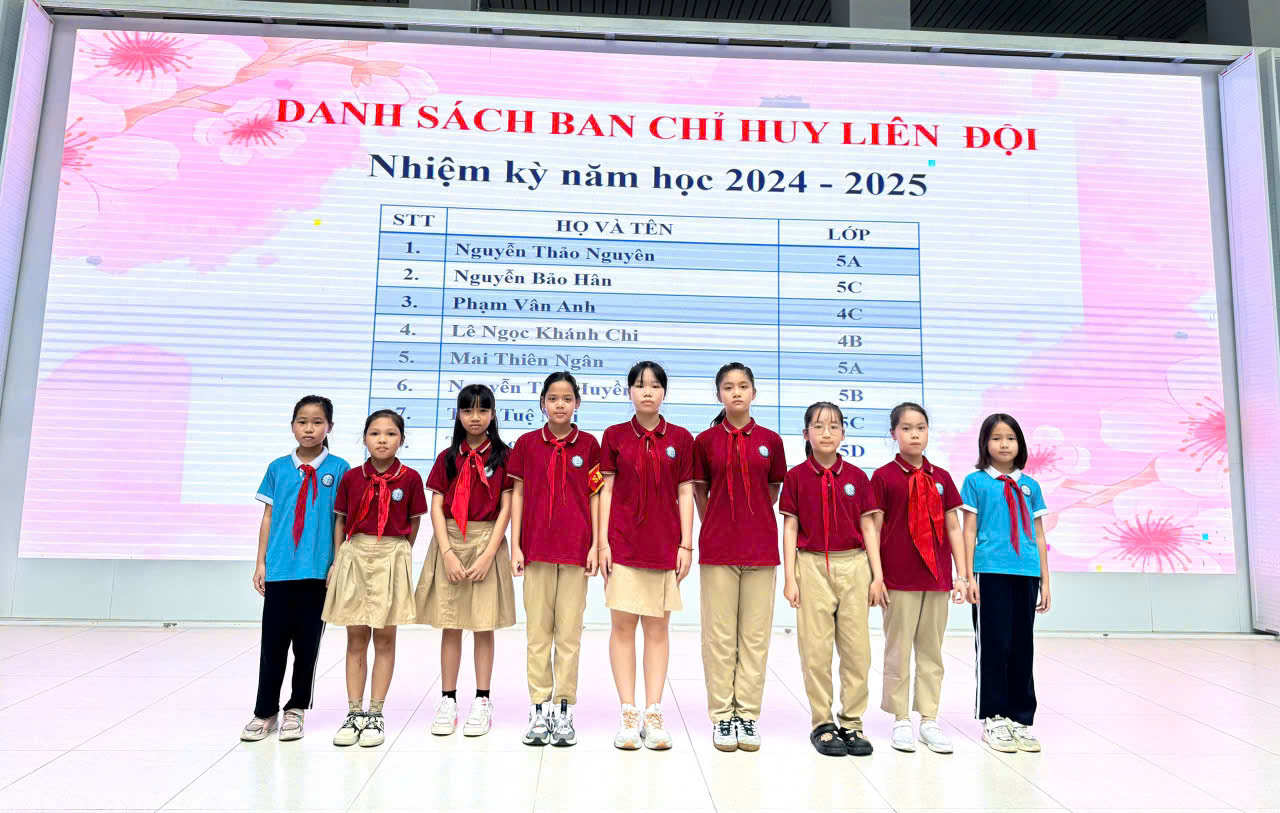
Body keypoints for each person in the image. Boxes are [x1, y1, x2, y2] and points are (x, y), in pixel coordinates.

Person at [242, 395, 350, 743]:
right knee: (272, 645)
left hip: (317, 572)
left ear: (329, 427)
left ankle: (296, 708)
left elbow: (339, 520)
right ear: (292, 425)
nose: (309, 428)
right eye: (302, 421)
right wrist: (261, 562)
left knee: (307, 646)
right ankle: (264, 712)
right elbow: (269, 516)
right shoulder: (277, 468)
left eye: (317, 422)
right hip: (280, 569)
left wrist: (335, 562)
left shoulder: (339, 468)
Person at [779, 401, 885, 758]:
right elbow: (790, 526)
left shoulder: (857, 477)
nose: (827, 433)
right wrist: (790, 577)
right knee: (816, 649)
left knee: (857, 650)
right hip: (811, 566)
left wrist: (877, 575)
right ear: (806, 433)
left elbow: (868, 526)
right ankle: (822, 723)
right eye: (819, 426)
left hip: (854, 566)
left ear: (843, 433)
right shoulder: (796, 477)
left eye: (834, 426)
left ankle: (852, 722)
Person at [599, 360, 695, 751]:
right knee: (622, 627)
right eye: (640, 386)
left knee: (657, 629)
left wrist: (686, 543)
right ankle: (628, 711)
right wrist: (603, 543)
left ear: (664, 393)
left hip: (663, 545)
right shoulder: (614, 435)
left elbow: (686, 492)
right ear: (629, 393)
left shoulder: (682, 439)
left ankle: (653, 712)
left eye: (655, 386)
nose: (648, 392)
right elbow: (605, 489)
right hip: (622, 543)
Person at [692, 362, 786, 752]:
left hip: (761, 549)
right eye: (728, 387)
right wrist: (717, 521)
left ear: (753, 393)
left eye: (743, 386)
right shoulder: (705, 441)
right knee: (719, 636)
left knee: (754, 636)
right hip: (718, 550)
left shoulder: (770, 440)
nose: (736, 393)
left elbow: (774, 488)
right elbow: (700, 492)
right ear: (719, 395)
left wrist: (752, 519)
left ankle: (746, 715)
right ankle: (721, 716)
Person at [867, 402, 969, 755]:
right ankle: (899, 719)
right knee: (897, 651)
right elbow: (875, 529)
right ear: (893, 433)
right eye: (907, 428)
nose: (914, 434)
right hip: (898, 578)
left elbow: (954, 526)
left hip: (937, 578)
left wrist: (963, 575)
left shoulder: (941, 478)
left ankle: (929, 718)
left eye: (920, 427)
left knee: (931, 652)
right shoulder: (882, 477)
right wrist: (876, 576)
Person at [415, 384, 516, 738]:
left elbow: (507, 506)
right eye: (468, 410)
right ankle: (447, 699)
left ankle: (483, 700)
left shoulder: (504, 456)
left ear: (492, 414)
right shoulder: (447, 457)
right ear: (458, 414)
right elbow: (437, 506)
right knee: (451, 623)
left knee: (483, 624)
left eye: (483, 410)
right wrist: (446, 552)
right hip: (451, 542)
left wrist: (490, 552)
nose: (476, 418)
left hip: (488, 539)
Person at [509, 372, 603, 747]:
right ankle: (537, 707)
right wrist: (515, 545)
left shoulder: (591, 445)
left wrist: (596, 544)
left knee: (569, 633)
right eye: (553, 398)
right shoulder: (527, 444)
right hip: (536, 550)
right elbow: (517, 494)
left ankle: (564, 707)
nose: (560, 404)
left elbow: (596, 497)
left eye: (567, 398)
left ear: (577, 403)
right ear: (542, 403)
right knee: (537, 634)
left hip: (576, 550)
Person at [323, 409, 425, 748]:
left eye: (391, 434)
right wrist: (339, 559)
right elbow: (339, 521)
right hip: (354, 555)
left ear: (402, 440)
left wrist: (400, 555)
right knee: (355, 639)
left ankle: (375, 713)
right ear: (364, 438)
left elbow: (414, 522)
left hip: (392, 556)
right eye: (375, 433)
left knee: (384, 639)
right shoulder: (351, 478)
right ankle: (353, 712)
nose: (383, 439)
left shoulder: (410, 478)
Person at [960, 412, 1051, 754]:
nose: (1004, 444)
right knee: (994, 645)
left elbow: (1039, 536)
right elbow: (969, 529)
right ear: (985, 443)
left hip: (1026, 572)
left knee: (1022, 645)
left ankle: (1021, 718)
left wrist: (1046, 581)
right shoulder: (976, 482)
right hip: (990, 571)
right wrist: (967, 576)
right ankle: (994, 716)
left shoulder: (1031, 486)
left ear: (1020, 444)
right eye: (996, 438)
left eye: (1010, 438)